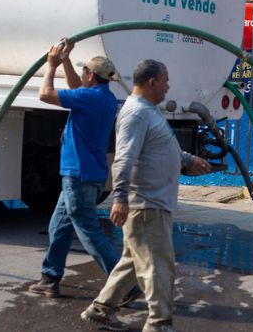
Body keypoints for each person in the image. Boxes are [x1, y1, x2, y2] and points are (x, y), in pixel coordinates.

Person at [81, 60, 212, 332]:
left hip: (152, 203)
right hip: (147, 204)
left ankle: (101, 309)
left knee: (133, 261)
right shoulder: (136, 114)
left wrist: (187, 159)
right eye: (165, 80)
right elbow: (124, 159)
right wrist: (119, 198)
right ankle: (159, 324)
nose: (168, 85)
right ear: (151, 82)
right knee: (158, 266)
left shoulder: (147, 111)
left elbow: (155, 147)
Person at [29, 40, 123, 299]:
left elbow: (45, 94)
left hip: (78, 175)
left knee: (89, 232)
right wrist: (67, 61)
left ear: (91, 76)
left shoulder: (88, 98)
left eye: (84, 72)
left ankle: (123, 285)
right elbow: (76, 87)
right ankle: (50, 278)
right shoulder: (104, 97)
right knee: (58, 227)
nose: (82, 76)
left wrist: (51, 66)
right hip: (88, 175)